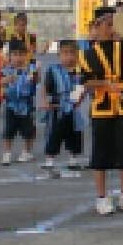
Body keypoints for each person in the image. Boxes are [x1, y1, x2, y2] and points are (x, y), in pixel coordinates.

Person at [77, 5, 123, 215]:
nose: (110, 27)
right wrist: (106, 85)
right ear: (96, 28)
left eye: (112, 23)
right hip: (101, 107)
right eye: (106, 23)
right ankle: (102, 197)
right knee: (101, 153)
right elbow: (86, 83)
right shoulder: (87, 54)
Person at [40, 40, 85, 172]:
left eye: (72, 53)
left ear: (77, 55)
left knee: (75, 133)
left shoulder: (80, 71)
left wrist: (80, 99)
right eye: (65, 53)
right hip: (57, 107)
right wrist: (45, 101)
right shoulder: (53, 70)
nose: (69, 56)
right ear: (59, 54)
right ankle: (50, 159)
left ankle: (73, 159)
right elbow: (46, 87)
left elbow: (83, 88)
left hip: (73, 107)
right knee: (54, 133)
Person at [0, 40, 38, 166]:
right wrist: (5, 80)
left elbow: (36, 81)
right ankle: (7, 153)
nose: (18, 58)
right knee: (9, 131)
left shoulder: (31, 69)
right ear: (9, 56)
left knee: (29, 131)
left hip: (26, 105)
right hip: (11, 105)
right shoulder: (6, 70)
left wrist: (35, 74)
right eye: (15, 54)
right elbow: (0, 83)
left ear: (26, 55)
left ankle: (26, 152)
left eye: (21, 54)